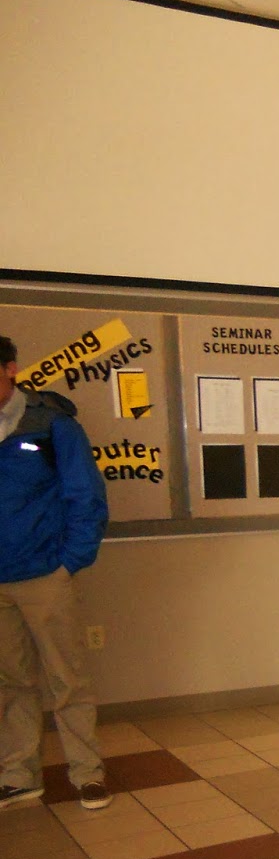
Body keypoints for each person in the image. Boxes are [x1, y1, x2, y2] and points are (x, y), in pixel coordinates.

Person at [0, 334, 112, 813]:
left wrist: (71, 561)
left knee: (68, 679)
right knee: (11, 682)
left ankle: (87, 774)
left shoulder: (51, 424)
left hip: (45, 574)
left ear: (10, 369)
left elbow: (85, 496)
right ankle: (19, 776)